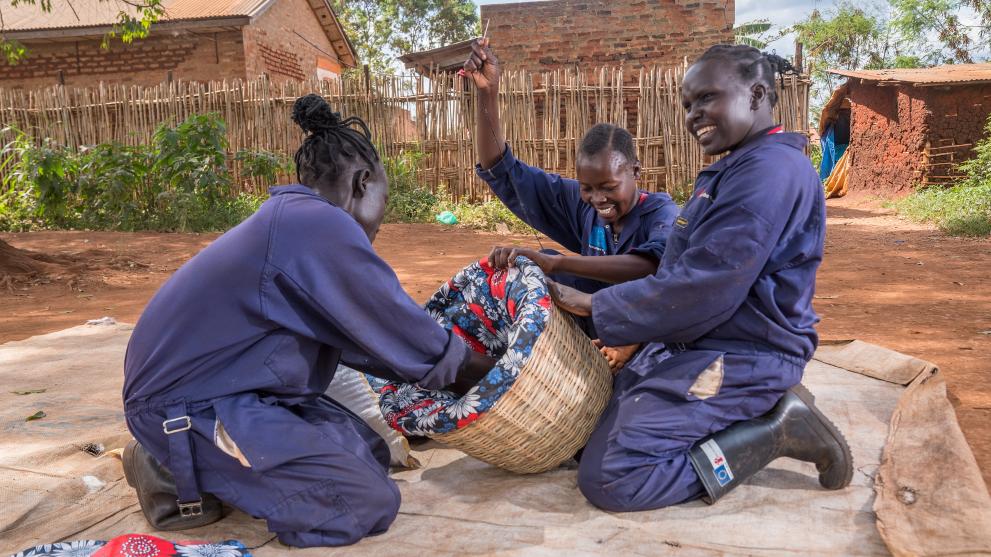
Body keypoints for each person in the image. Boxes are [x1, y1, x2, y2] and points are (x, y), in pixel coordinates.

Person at [120, 94, 494, 547]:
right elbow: (406, 334)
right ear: (362, 182)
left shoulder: (297, 220)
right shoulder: (317, 226)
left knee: (371, 455)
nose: (381, 219)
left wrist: (454, 374)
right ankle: (171, 465)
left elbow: (370, 342)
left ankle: (192, 465)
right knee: (359, 502)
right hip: (184, 407)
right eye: (385, 199)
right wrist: (498, 375)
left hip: (236, 392)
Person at [545, 44, 853, 510]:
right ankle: (745, 417)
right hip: (702, 342)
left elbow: (706, 286)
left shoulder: (769, 172)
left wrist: (592, 304)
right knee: (585, 433)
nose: (694, 115)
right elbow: (683, 272)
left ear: (756, 94)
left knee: (611, 474)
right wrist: (637, 337)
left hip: (745, 354)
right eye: (688, 104)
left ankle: (775, 431)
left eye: (707, 98)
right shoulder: (736, 168)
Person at [462, 38, 680, 370]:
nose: (597, 199)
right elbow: (502, 169)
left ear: (636, 171)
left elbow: (649, 264)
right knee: (532, 267)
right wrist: (487, 93)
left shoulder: (661, 213)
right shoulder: (584, 206)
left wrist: (560, 265)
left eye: (608, 187)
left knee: (551, 263)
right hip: (590, 328)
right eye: (587, 188)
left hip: (647, 331)